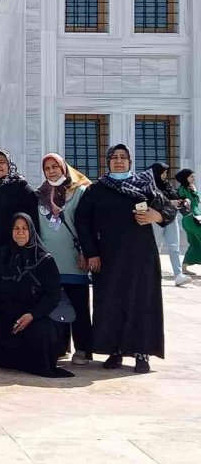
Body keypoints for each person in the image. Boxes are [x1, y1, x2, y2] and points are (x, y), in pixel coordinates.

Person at [75, 144, 176, 373]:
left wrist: (156, 215)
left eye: (123, 157)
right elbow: (83, 222)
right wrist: (91, 253)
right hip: (108, 258)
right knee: (111, 303)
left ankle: (142, 352)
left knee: (142, 302)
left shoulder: (144, 186)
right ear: (108, 162)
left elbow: (170, 208)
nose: (119, 161)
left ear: (130, 162)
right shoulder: (97, 190)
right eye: (114, 157)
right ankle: (115, 351)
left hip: (141, 258)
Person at [0, 213, 73, 378]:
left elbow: (53, 294)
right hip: (4, 311)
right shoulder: (0, 256)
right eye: (16, 228)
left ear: (31, 231)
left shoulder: (44, 260)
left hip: (34, 314)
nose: (20, 232)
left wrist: (32, 315)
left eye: (25, 229)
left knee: (43, 335)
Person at [35, 153, 93, 363]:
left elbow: (88, 226)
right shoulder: (40, 194)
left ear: (63, 168)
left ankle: (83, 348)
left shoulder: (79, 192)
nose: (51, 171)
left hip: (74, 259)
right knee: (55, 305)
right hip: (50, 261)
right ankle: (60, 346)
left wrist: (87, 252)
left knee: (79, 306)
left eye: (55, 167)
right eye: (47, 168)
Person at [148, 163, 191, 287]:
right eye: (163, 172)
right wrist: (168, 202)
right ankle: (152, 275)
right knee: (155, 248)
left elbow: (174, 196)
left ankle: (178, 275)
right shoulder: (150, 186)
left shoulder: (167, 185)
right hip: (156, 219)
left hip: (171, 218)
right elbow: (151, 200)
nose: (165, 175)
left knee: (174, 247)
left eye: (166, 173)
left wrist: (181, 201)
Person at [175, 169, 201, 275]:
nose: (193, 178)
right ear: (185, 178)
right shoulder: (182, 189)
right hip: (191, 218)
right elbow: (184, 203)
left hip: (195, 217)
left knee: (194, 243)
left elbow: (197, 201)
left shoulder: (190, 188)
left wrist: (194, 190)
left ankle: (184, 268)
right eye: (190, 176)